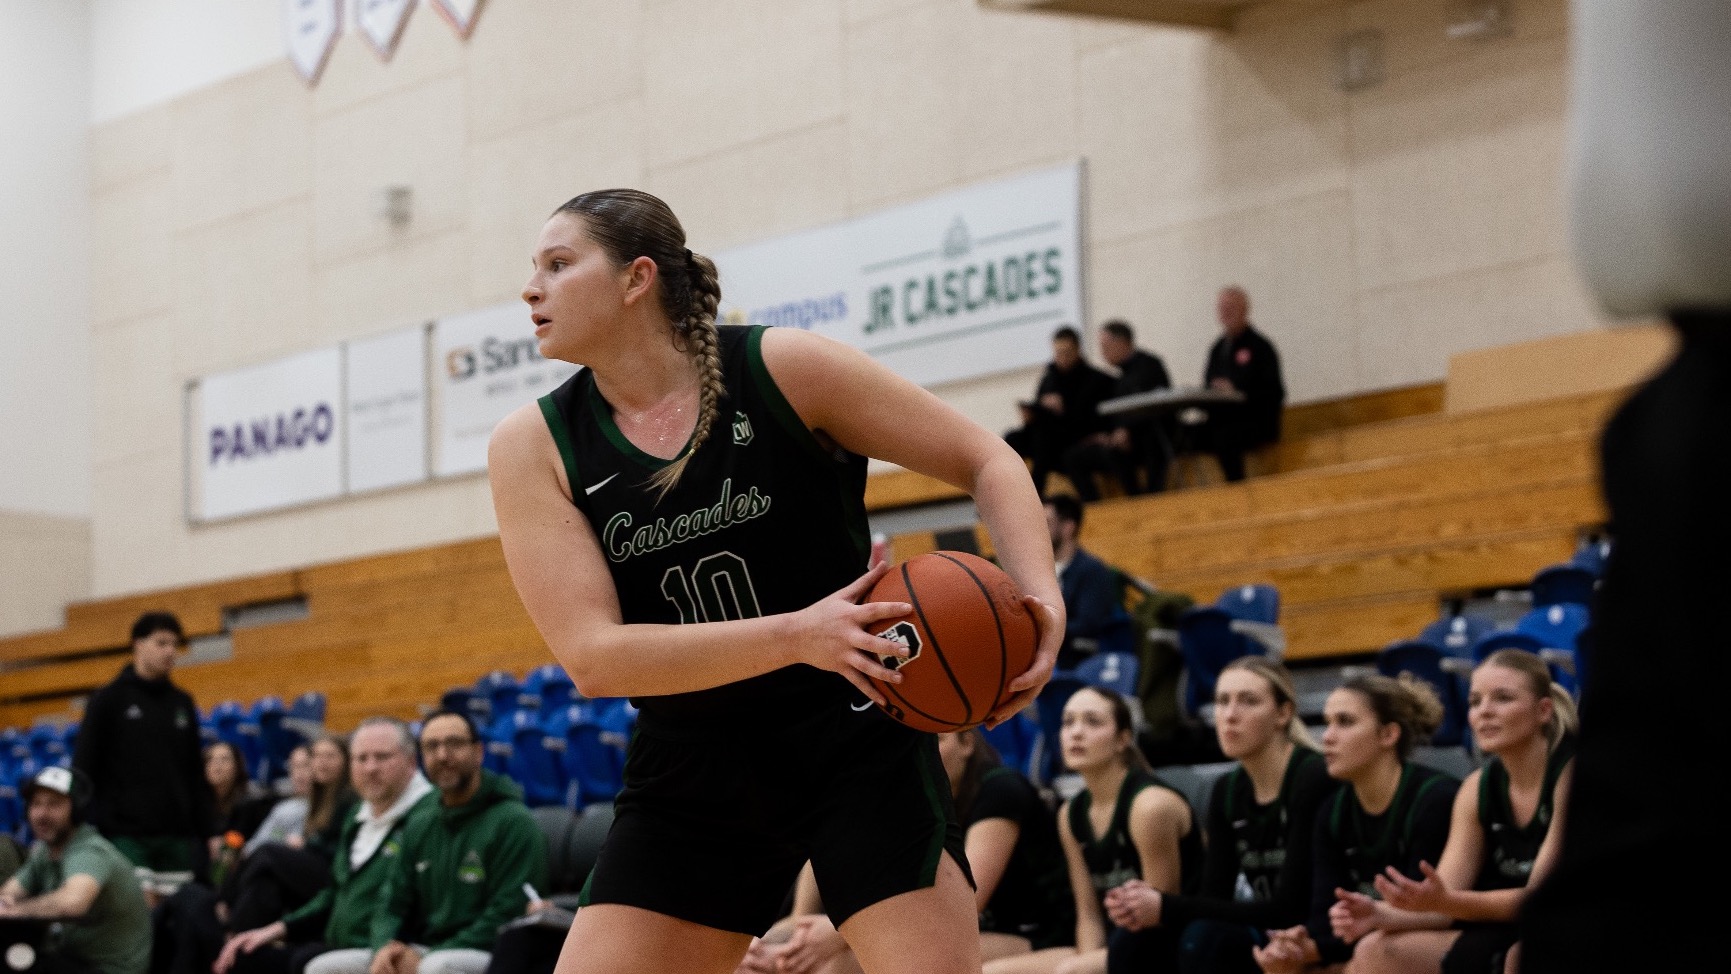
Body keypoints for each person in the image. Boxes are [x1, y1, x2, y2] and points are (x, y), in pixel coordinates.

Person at [487, 188, 1062, 974]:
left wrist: (1040, 597)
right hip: (692, 764)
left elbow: (986, 459)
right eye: (535, 270)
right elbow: (594, 657)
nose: (531, 288)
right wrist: (798, 635)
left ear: (636, 279)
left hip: (859, 732)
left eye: (558, 264)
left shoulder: (783, 368)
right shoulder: (533, 445)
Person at [1328, 651, 1576, 974]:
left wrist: (1446, 901)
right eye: (1475, 701)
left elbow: (1537, 902)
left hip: (1578, 927)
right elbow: (1442, 906)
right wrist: (1381, 913)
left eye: (1502, 698)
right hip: (1505, 932)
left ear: (1543, 710)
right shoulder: (1476, 788)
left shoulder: (1571, 775)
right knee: (1375, 949)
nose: (1484, 712)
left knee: (1524, 957)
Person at [760, 729, 1074, 974]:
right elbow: (801, 918)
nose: (924, 754)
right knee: (766, 958)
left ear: (967, 743)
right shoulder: (891, 796)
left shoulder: (1000, 790)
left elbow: (969, 900)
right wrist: (763, 946)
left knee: (840, 963)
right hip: (950, 931)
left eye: (935, 740)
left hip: (1030, 935)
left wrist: (838, 931)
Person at [1101, 658, 1332, 974]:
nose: (1230, 714)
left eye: (1248, 701)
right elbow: (1216, 897)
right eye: (1222, 701)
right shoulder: (1228, 789)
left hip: (1311, 932)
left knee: (1206, 940)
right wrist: (1140, 907)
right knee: (1135, 940)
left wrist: (1164, 905)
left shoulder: (1313, 777)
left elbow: (1290, 908)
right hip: (1267, 928)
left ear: (1283, 713)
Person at [301, 711, 544, 974]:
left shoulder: (513, 820)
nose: (442, 755)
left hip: (486, 952)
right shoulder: (421, 822)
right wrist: (384, 947)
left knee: (436, 967)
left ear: (478, 752)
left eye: (454, 744)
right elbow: (391, 901)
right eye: (432, 746)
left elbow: (509, 911)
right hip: (424, 949)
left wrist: (424, 955)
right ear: (420, 759)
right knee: (324, 967)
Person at [985, 687, 1201, 974]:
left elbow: (1160, 918)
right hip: (1112, 947)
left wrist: (1084, 967)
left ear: (1123, 739)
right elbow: (1088, 914)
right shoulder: (1070, 814)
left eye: (1092, 722)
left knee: (1071, 971)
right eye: (1068, 722)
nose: (1076, 732)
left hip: (1168, 947)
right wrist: (1086, 961)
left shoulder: (1149, 807)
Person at [1252, 676, 1457, 974]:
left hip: (1439, 940)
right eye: (1327, 722)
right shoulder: (1332, 811)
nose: (1327, 737)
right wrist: (1297, 945)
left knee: (1372, 954)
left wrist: (1315, 949)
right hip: (1369, 941)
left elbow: (1424, 911)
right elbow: (1325, 916)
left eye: (1344, 722)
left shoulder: (1435, 800)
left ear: (1388, 734)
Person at [217, 719, 433, 974]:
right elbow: (333, 892)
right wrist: (276, 929)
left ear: (411, 762)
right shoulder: (357, 815)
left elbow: (402, 904)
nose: (370, 768)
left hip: (387, 949)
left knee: (308, 961)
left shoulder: (429, 816)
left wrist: (387, 949)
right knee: (248, 953)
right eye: (361, 759)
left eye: (382, 757)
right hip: (336, 941)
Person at [72, 611, 213, 874]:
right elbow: (84, 766)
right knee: (136, 909)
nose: (170, 651)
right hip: (124, 834)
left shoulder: (182, 702)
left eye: (174, 644)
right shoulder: (108, 699)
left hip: (177, 834)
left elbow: (194, 771)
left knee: (180, 908)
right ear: (138, 644)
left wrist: (209, 831)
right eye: (161, 643)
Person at [0, 766, 152, 974]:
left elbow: (73, 902)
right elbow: (9, 893)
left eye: (54, 805)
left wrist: (16, 910)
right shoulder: (45, 850)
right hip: (72, 959)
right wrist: (7, 903)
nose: (42, 814)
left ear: (78, 810)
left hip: (108, 969)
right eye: (36, 804)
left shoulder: (90, 851)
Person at [1064, 321, 1172, 501]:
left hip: (1149, 436)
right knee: (1073, 457)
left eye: (1105, 346)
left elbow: (1156, 407)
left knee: (1147, 442)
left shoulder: (1149, 366)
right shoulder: (1118, 377)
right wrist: (1107, 434)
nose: (1102, 353)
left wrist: (1128, 431)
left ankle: (1143, 501)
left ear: (1121, 342)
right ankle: (1095, 508)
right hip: (1123, 440)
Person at [1006, 326, 1116, 496]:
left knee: (1044, 437)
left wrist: (1062, 409)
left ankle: (1035, 496)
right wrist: (1032, 415)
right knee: (1011, 439)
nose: (1062, 358)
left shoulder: (1096, 380)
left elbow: (1091, 420)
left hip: (1074, 439)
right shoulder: (1049, 380)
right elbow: (1040, 415)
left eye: (1067, 352)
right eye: (1058, 353)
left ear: (1078, 350)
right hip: (1048, 441)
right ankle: (1005, 498)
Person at [1200, 287, 1284, 483]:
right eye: (1222, 308)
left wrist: (1238, 392)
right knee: (1184, 435)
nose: (1226, 313)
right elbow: (1208, 384)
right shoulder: (1217, 348)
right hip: (1223, 419)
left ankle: (1237, 489)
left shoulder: (1261, 347)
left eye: (1231, 307)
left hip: (1255, 420)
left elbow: (1274, 392)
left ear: (1245, 310)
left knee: (1225, 436)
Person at [1047, 495, 1134, 669]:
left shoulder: (1092, 571)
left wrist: (1044, 626)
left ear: (1068, 528)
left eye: (1046, 523)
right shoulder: (1043, 569)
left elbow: (1088, 624)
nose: (1037, 530)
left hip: (1078, 662)